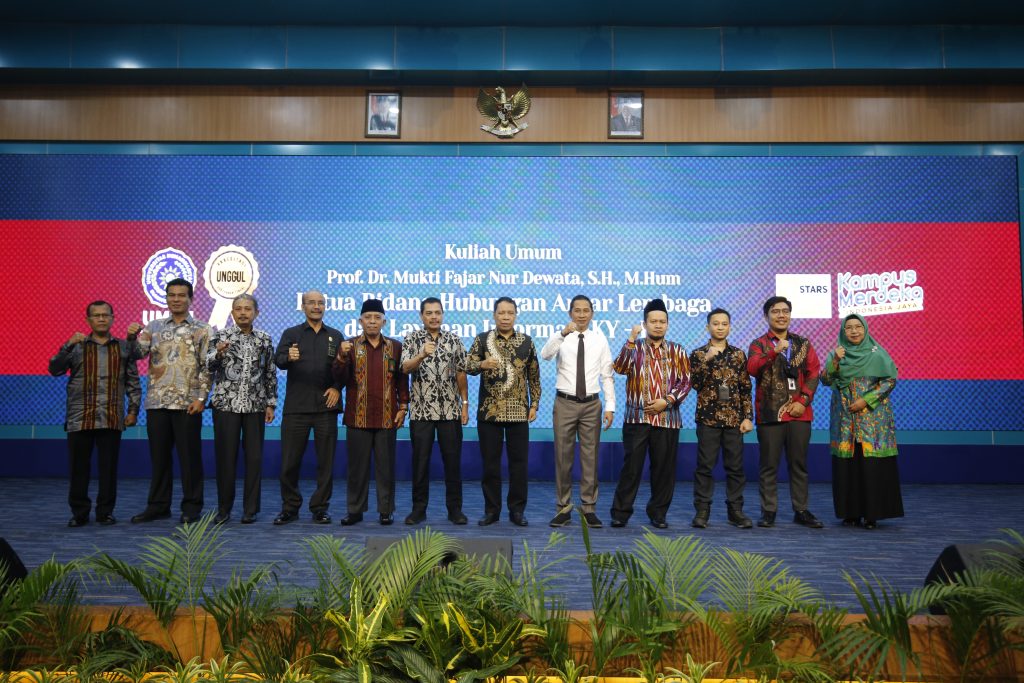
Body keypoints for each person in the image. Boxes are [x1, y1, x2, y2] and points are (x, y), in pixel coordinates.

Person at [49, 301, 141, 527]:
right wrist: (67, 345)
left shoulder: (123, 347)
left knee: (108, 469)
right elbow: (55, 369)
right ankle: (79, 513)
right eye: (96, 315)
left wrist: (133, 410)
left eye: (105, 315)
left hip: (111, 416)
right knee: (78, 469)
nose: (101, 319)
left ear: (112, 318)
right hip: (80, 417)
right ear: (88, 320)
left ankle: (105, 512)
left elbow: (133, 381)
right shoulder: (76, 346)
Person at [130, 278, 211, 524]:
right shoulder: (153, 327)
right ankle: (158, 506)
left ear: (190, 299)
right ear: (166, 298)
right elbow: (137, 354)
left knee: (190, 459)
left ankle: (192, 507)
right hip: (157, 402)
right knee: (159, 459)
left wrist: (201, 398)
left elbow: (208, 366)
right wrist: (131, 337)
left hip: (188, 403)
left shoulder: (202, 329)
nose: (176, 299)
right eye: (171, 295)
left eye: (181, 295)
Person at [609, 299, 690, 529]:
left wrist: (667, 401)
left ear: (667, 324)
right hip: (637, 419)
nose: (658, 325)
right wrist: (630, 340)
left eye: (662, 321)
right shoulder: (634, 347)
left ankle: (658, 514)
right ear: (645, 324)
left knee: (664, 470)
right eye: (653, 321)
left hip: (667, 419)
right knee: (631, 469)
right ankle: (620, 513)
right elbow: (620, 368)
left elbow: (685, 382)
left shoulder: (677, 350)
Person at [820, 314, 903, 529]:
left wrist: (866, 400)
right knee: (848, 467)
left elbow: (890, 380)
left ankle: (872, 514)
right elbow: (825, 380)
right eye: (849, 328)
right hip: (844, 421)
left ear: (865, 329)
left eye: (858, 327)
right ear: (843, 332)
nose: (854, 331)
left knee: (870, 467)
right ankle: (851, 513)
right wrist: (835, 361)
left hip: (872, 421)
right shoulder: (836, 354)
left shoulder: (878, 354)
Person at [747, 296, 823, 529]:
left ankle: (801, 510)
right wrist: (774, 352)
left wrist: (803, 401)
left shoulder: (803, 343)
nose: (781, 315)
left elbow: (814, 373)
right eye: (775, 311)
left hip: (800, 413)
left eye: (785, 311)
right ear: (766, 316)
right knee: (768, 465)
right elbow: (752, 368)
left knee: (799, 464)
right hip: (770, 414)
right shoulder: (759, 344)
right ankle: (768, 511)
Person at [540, 294, 615, 528]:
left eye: (586, 310)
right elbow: (545, 354)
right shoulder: (561, 337)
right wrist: (562, 333)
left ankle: (589, 508)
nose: (581, 315)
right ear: (570, 313)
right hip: (565, 403)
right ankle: (563, 509)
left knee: (590, 458)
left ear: (592, 314)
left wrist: (610, 406)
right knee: (563, 458)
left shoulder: (600, 340)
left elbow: (607, 375)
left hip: (592, 404)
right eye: (577, 310)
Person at [466, 296, 541, 527]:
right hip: (489, 413)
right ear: (494, 315)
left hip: (519, 412)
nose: (506, 317)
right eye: (501, 313)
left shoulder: (526, 341)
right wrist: (482, 364)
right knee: (490, 465)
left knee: (519, 464)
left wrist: (535, 404)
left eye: (510, 313)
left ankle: (517, 511)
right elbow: (466, 365)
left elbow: (534, 376)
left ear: (516, 315)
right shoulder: (482, 340)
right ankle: (492, 511)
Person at [333, 299, 409, 525]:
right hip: (358, 417)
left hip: (387, 416)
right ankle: (355, 511)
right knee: (357, 469)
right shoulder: (349, 346)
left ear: (384, 322)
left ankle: (386, 511)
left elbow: (401, 380)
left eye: (377, 318)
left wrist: (403, 406)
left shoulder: (396, 347)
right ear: (360, 321)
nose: (372, 322)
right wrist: (340, 357)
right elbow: (338, 379)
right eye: (368, 318)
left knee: (386, 468)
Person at [273, 290, 343, 525]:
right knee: (289, 463)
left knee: (326, 463)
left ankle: (320, 508)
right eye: (311, 303)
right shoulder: (291, 333)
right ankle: (290, 507)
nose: (316, 306)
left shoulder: (335, 335)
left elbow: (343, 369)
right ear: (303, 307)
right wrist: (288, 357)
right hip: (297, 407)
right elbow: (278, 360)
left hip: (326, 407)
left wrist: (337, 387)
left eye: (320, 303)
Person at [207, 294, 277, 524]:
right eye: (238, 309)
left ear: (256, 313)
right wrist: (218, 353)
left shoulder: (264, 339)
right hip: (226, 406)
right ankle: (224, 509)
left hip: (255, 405)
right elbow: (208, 365)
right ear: (232, 313)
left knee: (254, 459)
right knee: (226, 459)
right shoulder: (221, 336)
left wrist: (271, 403)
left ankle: (250, 510)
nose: (243, 312)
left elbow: (269, 373)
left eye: (248, 308)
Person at [400, 297, 469, 525]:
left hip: (450, 411)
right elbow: (404, 368)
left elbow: (461, 372)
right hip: (421, 412)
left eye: (437, 312)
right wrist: (421, 354)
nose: (434, 317)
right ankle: (418, 510)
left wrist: (465, 403)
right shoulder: (411, 339)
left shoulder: (453, 340)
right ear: (421, 316)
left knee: (453, 463)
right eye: (429, 313)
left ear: (442, 315)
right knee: (420, 463)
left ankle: (455, 510)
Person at [688, 308, 754, 529]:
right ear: (708, 327)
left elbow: (745, 388)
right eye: (715, 324)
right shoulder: (698, 354)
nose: (720, 327)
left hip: (734, 419)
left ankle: (735, 511)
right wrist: (706, 361)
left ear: (730, 327)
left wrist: (748, 417)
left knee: (735, 468)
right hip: (708, 419)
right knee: (705, 467)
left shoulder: (738, 355)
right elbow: (695, 384)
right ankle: (702, 511)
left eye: (724, 324)